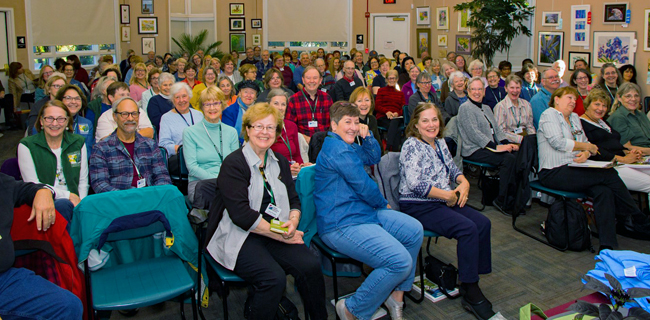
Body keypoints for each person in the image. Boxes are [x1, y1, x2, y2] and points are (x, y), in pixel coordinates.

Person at [207, 103, 328, 320]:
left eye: (271, 128)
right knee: (273, 278)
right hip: (241, 235)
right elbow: (242, 216)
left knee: (310, 265)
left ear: (277, 133)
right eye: (259, 126)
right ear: (247, 129)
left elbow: (293, 199)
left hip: (275, 229)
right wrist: (283, 233)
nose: (265, 132)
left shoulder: (280, 161)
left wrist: (292, 220)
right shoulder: (234, 164)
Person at [314, 101, 423, 320]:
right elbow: (364, 185)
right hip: (342, 222)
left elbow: (373, 157)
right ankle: (351, 309)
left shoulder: (349, 144)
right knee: (399, 261)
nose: (353, 127)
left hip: (362, 212)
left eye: (356, 122)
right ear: (333, 126)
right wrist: (384, 204)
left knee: (414, 230)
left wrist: (369, 136)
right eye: (348, 122)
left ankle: (395, 296)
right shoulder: (337, 149)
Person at [399, 103, 496, 320]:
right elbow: (415, 184)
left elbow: (452, 169)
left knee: (483, 224)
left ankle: (470, 279)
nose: (431, 124)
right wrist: (448, 195)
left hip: (442, 200)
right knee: (467, 229)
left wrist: (464, 183)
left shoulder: (440, 142)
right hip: (418, 205)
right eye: (425, 120)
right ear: (415, 124)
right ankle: (471, 290)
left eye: (434, 119)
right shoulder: (411, 145)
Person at [537, 86, 650, 252]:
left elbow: (587, 146)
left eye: (575, 99)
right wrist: (587, 147)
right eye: (569, 97)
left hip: (575, 168)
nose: (573, 102)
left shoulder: (574, 118)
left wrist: (585, 153)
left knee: (604, 191)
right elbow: (559, 142)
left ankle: (607, 244)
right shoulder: (549, 115)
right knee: (609, 174)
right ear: (557, 99)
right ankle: (638, 217)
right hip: (554, 171)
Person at [0, 173, 83, 319]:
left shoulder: (3, 182)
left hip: (5, 278)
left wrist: (42, 191)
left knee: (68, 305)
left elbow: (23, 189)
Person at [18, 99, 88, 225]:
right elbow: (33, 184)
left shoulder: (78, 142)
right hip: (42, 202)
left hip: (75, 202)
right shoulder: (27, 145)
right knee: (63, 205)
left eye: (61, 119)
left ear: (67, 121)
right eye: (49, 118)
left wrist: (80, 205)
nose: (55, 123)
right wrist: (67, 195)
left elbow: (83, 180)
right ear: (41, 121)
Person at [457, 77, 519, 210]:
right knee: (508, 159)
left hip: (489, 147)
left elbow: (497, 130)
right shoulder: (465, 108)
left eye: (480, 89)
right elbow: (474, 134)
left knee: (517, 154)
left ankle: (515, 197)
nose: (477, 92)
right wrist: (496, 147)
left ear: (484, 91)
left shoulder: (486, 108)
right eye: (473, 89)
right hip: (474, 149)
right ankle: (503, 200)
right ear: (468, 91)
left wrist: (507, 143)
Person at [90, 97, 171, 193]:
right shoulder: (101, 149)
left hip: (149, 198)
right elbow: (100, 185)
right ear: (115, 117)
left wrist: (153, 194)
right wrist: (128, 197)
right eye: (124, 114)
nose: (130, 118)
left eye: (134, 114)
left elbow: (163, 176)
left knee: (174, 194)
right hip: (119, 202)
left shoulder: (150, 145)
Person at [580, 89, 650, 197]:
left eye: (604, 106)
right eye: (597, 104)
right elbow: (595, 151)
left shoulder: (603, 122)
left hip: (623, 162)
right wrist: (623, 158)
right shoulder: (582, 124)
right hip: (609, 167)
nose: (601, 109)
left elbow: (614, 143)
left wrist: (628, 152)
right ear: (588, 105)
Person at [183, 86, 239, 203]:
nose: (212, 108)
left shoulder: (231, 132)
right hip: (201, 184)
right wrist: (218, 180)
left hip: (228, 182)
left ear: (222, 105)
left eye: (216, 103)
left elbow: (235, 164)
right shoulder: (190, 132)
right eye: (207, 104)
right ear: (201, 107)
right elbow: (192, 168)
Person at [159, 82, 204, 174]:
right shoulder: (166, 118)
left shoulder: (199, 114)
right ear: (172, 100)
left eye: (184, 96)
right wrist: (183, 149)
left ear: (189, 97)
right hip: (180, 157)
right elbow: (163, 144)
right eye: (177, 97)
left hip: (201, 155)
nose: (181, 100)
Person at [267, 89, 309, 175]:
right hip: (274, 173)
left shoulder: (291, 126)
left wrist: (301, 166)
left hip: (293, 173)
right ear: (268, 105)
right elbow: (264, 160)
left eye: (283, 104)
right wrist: (286, 168)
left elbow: (297, 155)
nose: (280, 108)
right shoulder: (264, 128)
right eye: (276, 104)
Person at [287, 66, 333, 139]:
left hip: (324, 141)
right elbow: (289, 126)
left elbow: (332, 123)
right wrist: (303, 138)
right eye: (308, 78)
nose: (312, 81)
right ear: (303, 80)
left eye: (315, 78)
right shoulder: (294, 100)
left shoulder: (327, 98)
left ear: (320, 80)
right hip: (302, 142)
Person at [493, 75, 536, 144]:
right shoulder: (500, 107)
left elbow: (529, 126)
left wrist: (532, 139)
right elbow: (500, 132)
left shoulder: (526, 104)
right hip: (509, 142)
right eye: (512, 88)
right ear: (506, 89)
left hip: (526, 140)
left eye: (517, 88)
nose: (515, 91)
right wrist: (521, 139)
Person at [55, 84, 95, 157]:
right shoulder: (52, 122)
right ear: (60, 100)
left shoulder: (86, 124)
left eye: (77, 98)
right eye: (68, 98)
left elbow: (87, 151)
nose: (73, 102)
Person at [607, 82, 650, 148]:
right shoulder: (618, 117)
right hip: (639, 154)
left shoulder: (641, 114)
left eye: (636, 96)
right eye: (628, 96)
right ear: (619, 98)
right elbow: (628, 147)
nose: (633, 99)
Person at [375, 69, 405, 151]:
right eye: (390, 78)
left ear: (397, 79)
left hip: (396, 117)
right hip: (383, 116)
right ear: (386, 79)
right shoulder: (381, 91)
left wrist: (397, 113)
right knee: (397, 129)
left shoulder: (400, 93)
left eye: (394, 78)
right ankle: (394, 152)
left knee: (395, 122)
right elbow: (377, 106)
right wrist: (386, 112)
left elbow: (403, 108)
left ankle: (388, 147)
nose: (392, 80)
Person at [350, 87, 383, 152]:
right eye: (359, 101)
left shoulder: (372, 120)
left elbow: (379, 146)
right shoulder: (350, 122)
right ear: (353, 104)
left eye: (367, 100)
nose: (364, 104)